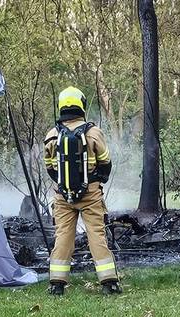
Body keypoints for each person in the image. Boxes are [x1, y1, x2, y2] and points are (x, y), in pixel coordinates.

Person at [42, 86, 118, 296]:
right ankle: (109, 282)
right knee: (96, 234)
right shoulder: (93, 132)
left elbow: (49, 167)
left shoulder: (51, 135)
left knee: (63, 236)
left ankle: (57, 283)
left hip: (62, 195)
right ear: (81, 105)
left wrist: (62, 186)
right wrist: (96, 182)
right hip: (91, 194)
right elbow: (105, 162)